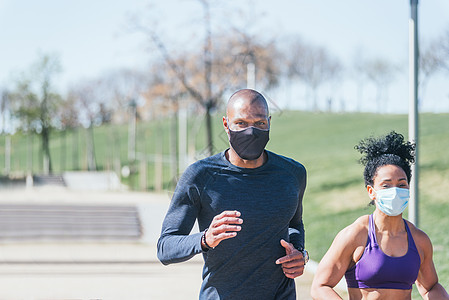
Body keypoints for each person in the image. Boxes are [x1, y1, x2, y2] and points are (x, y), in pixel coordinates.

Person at [157, 89, 308, 299]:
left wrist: (299, 252)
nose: (252, 131)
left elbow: (293, 224)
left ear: (269, 123)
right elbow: (165, 248)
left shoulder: (293, 173)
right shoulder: (200, 175)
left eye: (260, 123)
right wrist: (205, 239)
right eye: (241, 123)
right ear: (226, 125)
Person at [311, 131, 449, 300]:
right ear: (371, 191)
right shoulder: (355, 235)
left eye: (401, 184)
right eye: (386, 185)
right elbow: (320, 286)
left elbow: (431, 287)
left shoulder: (419, 240)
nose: (395, 191)